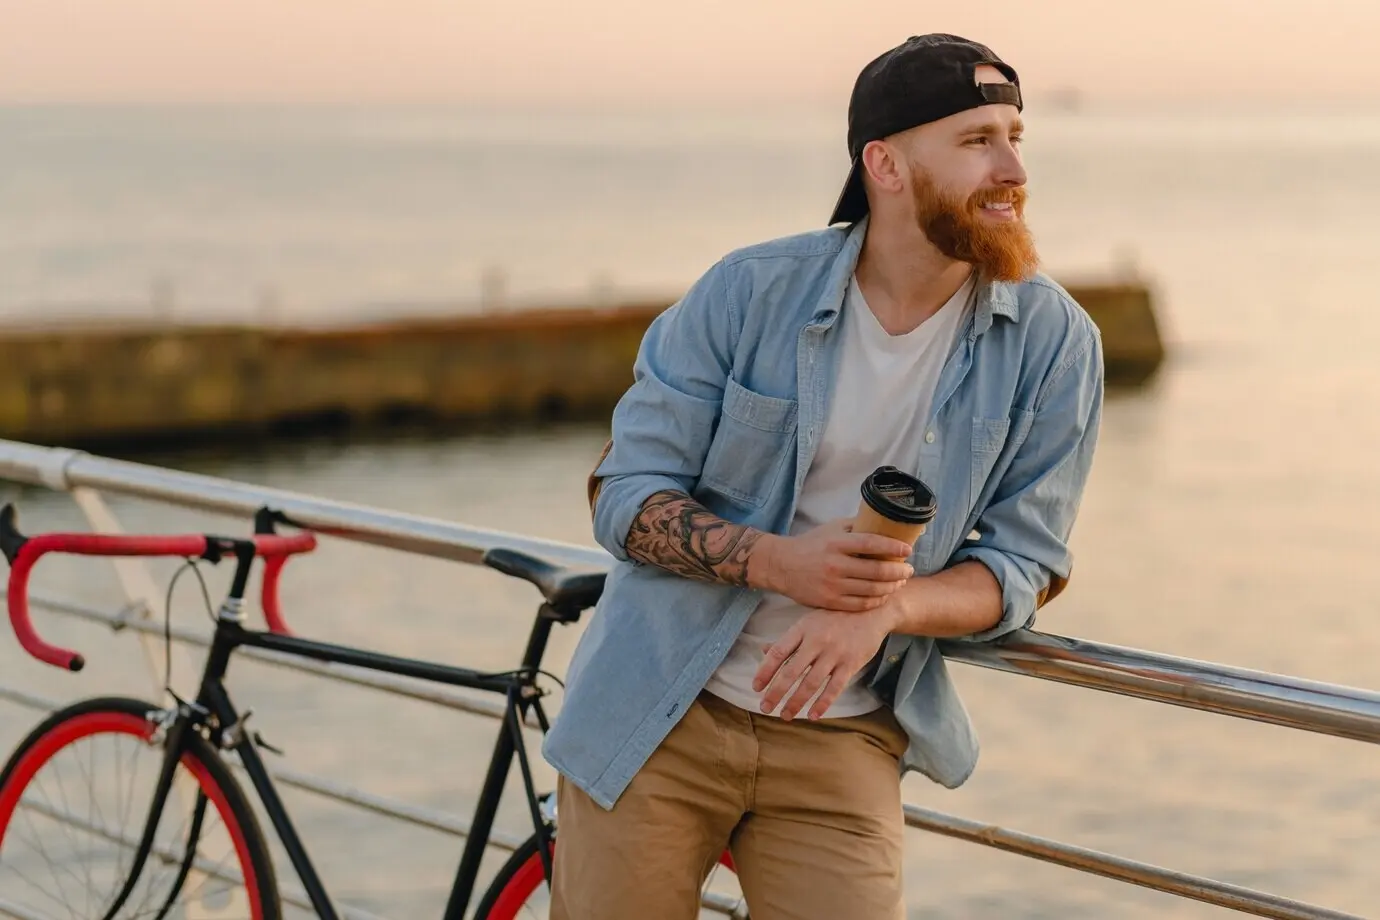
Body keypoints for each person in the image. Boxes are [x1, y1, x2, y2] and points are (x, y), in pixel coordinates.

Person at [542, 33, 1104, 919]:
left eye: (1016, 137)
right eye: (975, 140)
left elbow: (1025, 565)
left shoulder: (1054, 342)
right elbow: (623, 494)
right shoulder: (747, 292)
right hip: (661, 713)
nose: (1011, 168)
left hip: (846, 739)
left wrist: (891, 609)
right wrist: (778, 563)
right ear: (884, 163)